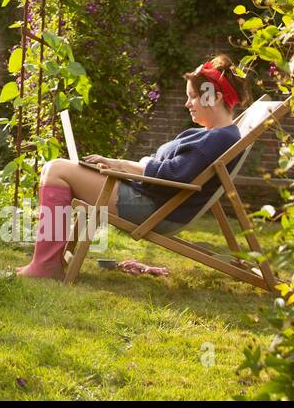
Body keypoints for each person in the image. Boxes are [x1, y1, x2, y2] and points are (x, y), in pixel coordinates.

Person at [16, 53, 251, 279]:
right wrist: (121, 167)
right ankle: (48, 262)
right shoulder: (210, 135)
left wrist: (121, 165)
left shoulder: (218, 139)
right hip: (149, 197)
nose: (187, 103)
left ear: (216, 97)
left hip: (153, 209)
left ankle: (46, 266)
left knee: (56, 169)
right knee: (53, 168)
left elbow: (172, 175)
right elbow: (166, 168)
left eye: (193, 96)